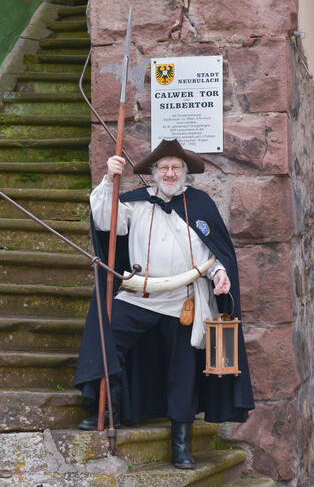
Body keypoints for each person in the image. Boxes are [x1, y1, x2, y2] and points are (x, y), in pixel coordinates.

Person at [75, 138, 254, 469]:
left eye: (175, 168)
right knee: (105, 339)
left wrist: (219, 275)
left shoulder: (201, 205)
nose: (170, 173)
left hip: (184, 302)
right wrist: (108, 179)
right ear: (154, 172)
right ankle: (107, 410)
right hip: (138, 295)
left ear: (185, 172)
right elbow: (104, 221)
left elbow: (214, 254)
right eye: (163, 167)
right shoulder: (135, 203)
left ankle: (181, 445)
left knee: (182, 372)